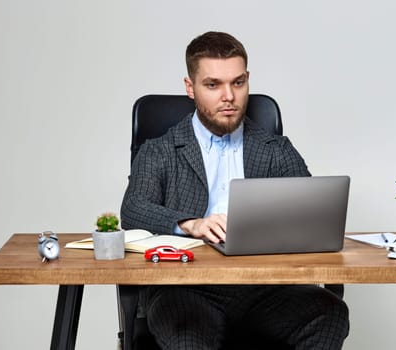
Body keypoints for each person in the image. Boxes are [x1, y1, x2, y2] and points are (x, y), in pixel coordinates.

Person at [121, 31, 349, 350]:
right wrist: (191, 223)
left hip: (266, 288)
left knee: (329, 312)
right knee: (188, 334)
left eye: (238, 83)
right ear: (191, 88)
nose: (228, 96)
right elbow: (133, 210)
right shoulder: (159, 151)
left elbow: (312, 211)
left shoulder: (274, 148)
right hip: (186, 288)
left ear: (247, 81)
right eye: (213, 85)